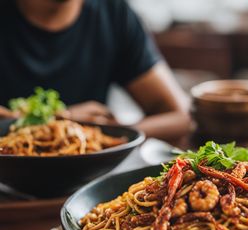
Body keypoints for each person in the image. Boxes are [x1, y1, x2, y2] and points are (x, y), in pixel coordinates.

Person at [0, 0, 191, 142]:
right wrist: (62, 120)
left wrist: (104, 133)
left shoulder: (114, 12)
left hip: (88, 180)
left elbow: (182, 116)